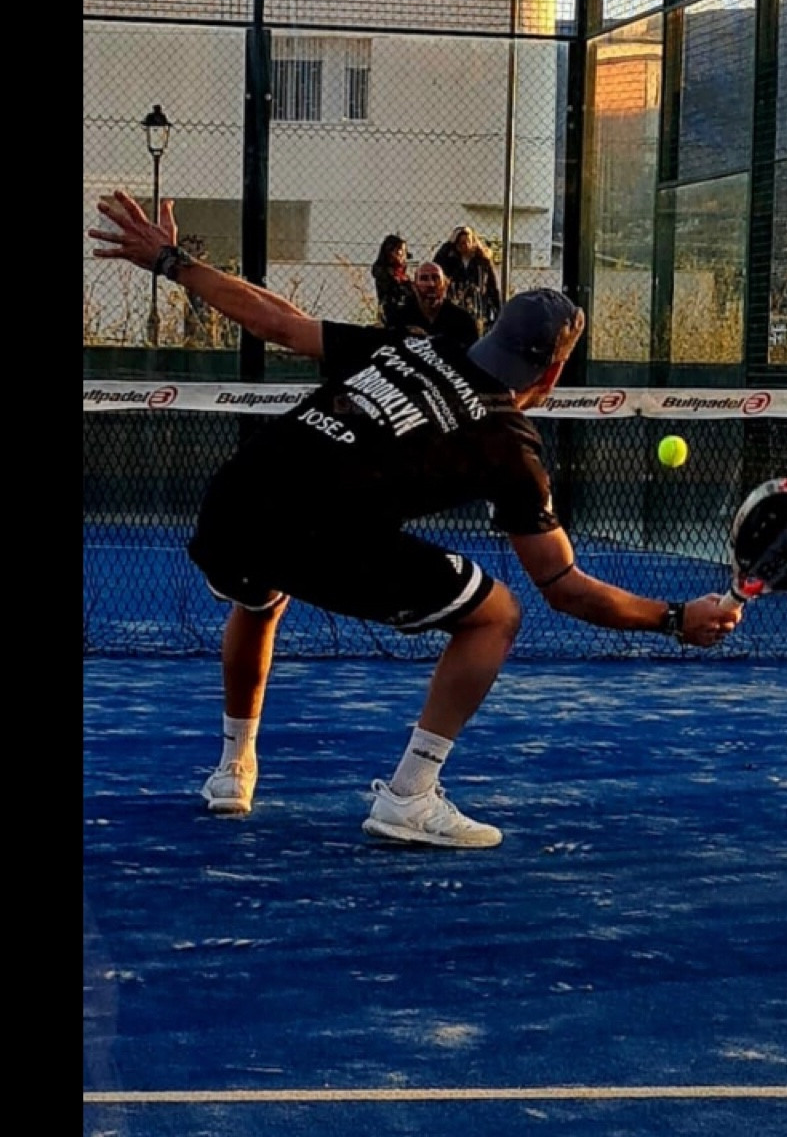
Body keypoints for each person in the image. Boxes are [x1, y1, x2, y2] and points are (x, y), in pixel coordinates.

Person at [88, 189, 742, 849]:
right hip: (317, 533)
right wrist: (674, 618)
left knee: (259, 597)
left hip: (235, 499)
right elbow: (565, 587)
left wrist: (172, 261)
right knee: (496, 614)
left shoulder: (412, 346)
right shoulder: (510, 445)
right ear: (553, 371)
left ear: (491, 332)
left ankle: (234, 768)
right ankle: (410, 796)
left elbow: (278, 323)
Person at [380, 260, 479, 350]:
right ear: (414, 286)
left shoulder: (462, 320)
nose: (431, 284)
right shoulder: (399, 319)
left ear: (445, 285)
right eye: (424, 279)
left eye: (436, 278)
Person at [432, 225, 502, 337]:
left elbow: (493, 287)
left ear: (473, 242)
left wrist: (498, 311)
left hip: (478, 309)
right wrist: (448, 244)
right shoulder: (450, 260)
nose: (464, 245)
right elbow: (436, 266)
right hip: (456, 308)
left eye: (466, 241)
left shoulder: (482, 261)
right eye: (460, 242)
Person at [370, 233, 414, 328]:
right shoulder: (383, 273)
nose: (403, 255)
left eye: (405, 251)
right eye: (400, 250)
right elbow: (393, 293)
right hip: (392, 316)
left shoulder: (403, 273)